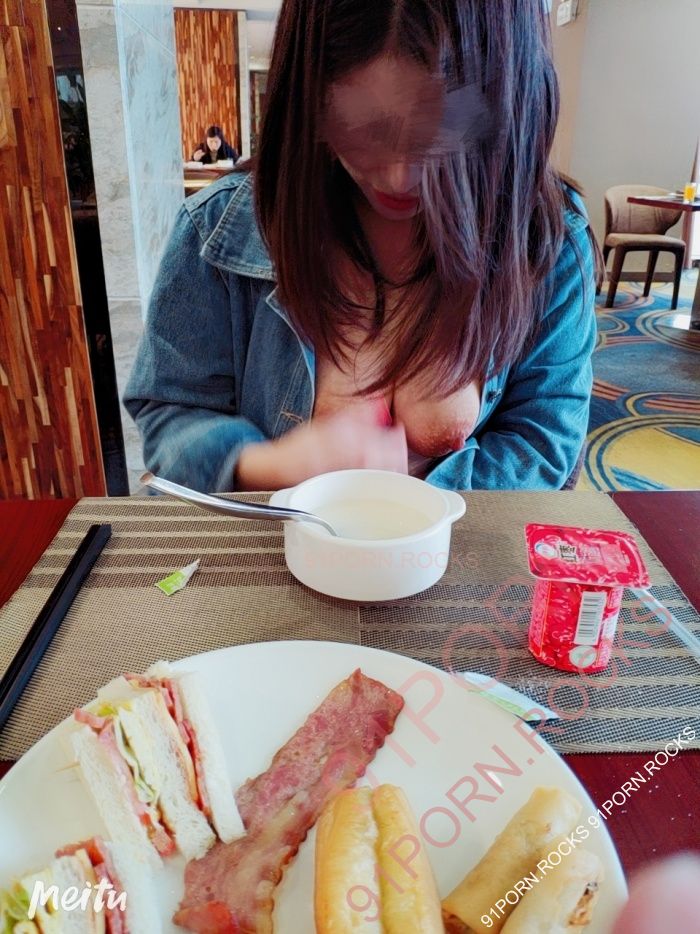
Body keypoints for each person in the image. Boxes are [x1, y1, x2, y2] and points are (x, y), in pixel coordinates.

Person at [126, 0, 600, 494]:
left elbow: (544, 443)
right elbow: (169, 420)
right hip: (277, 540)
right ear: (308, 100)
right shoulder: (219, 227)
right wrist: (266, 465)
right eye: (363, 129)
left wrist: (403, 506)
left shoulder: (546, 239)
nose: (398, 178)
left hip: (453, 543)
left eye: (438, 134)